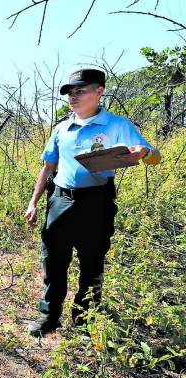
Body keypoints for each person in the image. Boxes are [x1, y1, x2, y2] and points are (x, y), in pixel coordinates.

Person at [24, 68, 162, 337]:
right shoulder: (62, 129)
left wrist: (144, 152)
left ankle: (85, 321)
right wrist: (33, 202)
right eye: (70, 93)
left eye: (80, 91)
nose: (73, 97)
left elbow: (156, 157)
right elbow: (48, 167)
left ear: (99, 92)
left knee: (91, 261)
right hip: (61, 200)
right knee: (53, 259)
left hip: (97, 202)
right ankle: (48, 317)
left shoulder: (117, 125)